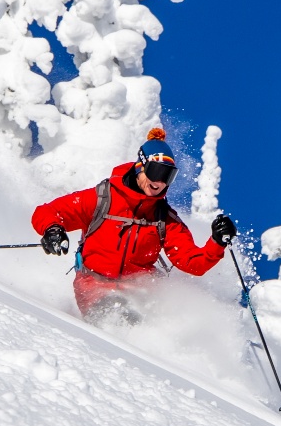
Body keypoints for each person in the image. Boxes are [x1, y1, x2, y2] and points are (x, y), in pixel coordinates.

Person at [32, 128, 237, 319]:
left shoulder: (163, 218)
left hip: (142, 293)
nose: (161, 182)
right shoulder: (104, 198)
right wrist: (53, 230)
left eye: (168, 176)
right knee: (119, 315)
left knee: (173, 324)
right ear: (141, 166)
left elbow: (192, 262)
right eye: (157, 172)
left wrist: (217, 242)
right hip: (94, 285)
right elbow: (49, 212)